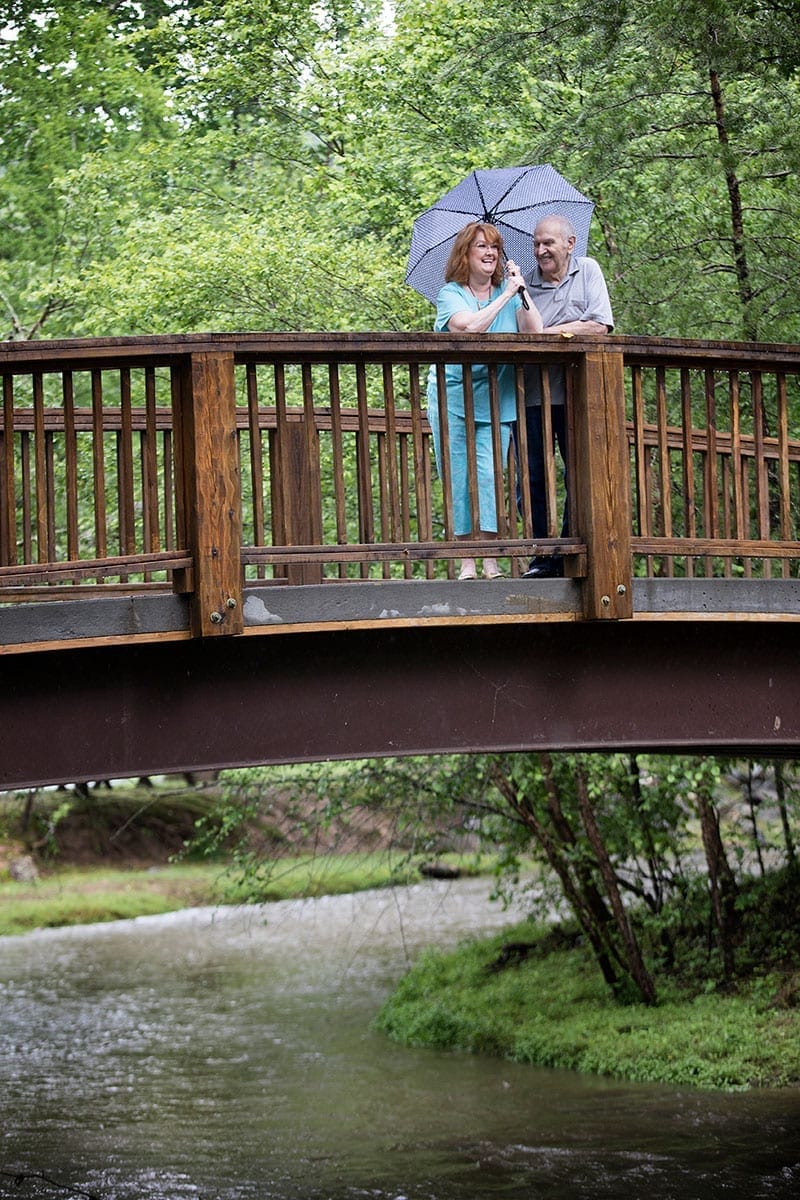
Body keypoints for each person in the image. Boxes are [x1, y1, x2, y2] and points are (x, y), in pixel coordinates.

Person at [426, 221, 542, 580]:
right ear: (466, 253)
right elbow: (470, 327)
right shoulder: (451, 294)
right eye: (481, 246)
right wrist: (505, 295)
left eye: (494, 246)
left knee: (491, 476)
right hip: (453, 397)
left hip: (497, 396)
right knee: (459, 475)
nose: (490, 253)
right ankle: (466, 561)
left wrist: (521, 292)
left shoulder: (509, 291)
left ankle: (490, 559)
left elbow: (534, 331)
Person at [520, 214, 614, 578]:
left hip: (578, 395)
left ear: (570, 244)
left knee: (580, 473)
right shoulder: (523, 284)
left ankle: (568, 554)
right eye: (536, 244)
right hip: (532, 395)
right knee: (531, 479)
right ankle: (542, 556)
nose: (541, 250)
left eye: (548, 243)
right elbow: (521, 335)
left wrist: (549, 333)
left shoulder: (588, 270)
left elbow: (600, 324)